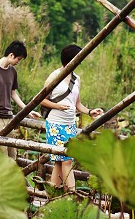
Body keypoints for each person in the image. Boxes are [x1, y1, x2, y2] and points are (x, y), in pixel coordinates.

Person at [40, 44, 103, 191]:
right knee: (66, 161)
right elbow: (41, 99)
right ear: (71, 59)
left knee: (58, 162)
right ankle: (73, 195)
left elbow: (78, 104)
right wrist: (58, 106)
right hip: (55, 124)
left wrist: (89, 111)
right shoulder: (55, 75)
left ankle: (52, 196)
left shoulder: (76, 78)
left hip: (70, 125)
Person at [0, 40, 40, 159]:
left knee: (12, 154)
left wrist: (28, 110)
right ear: (11, 55)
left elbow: (13, 94)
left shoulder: (12, 71)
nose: (18, 62)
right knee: (1, 153)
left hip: (8, 116)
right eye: (18, 59)